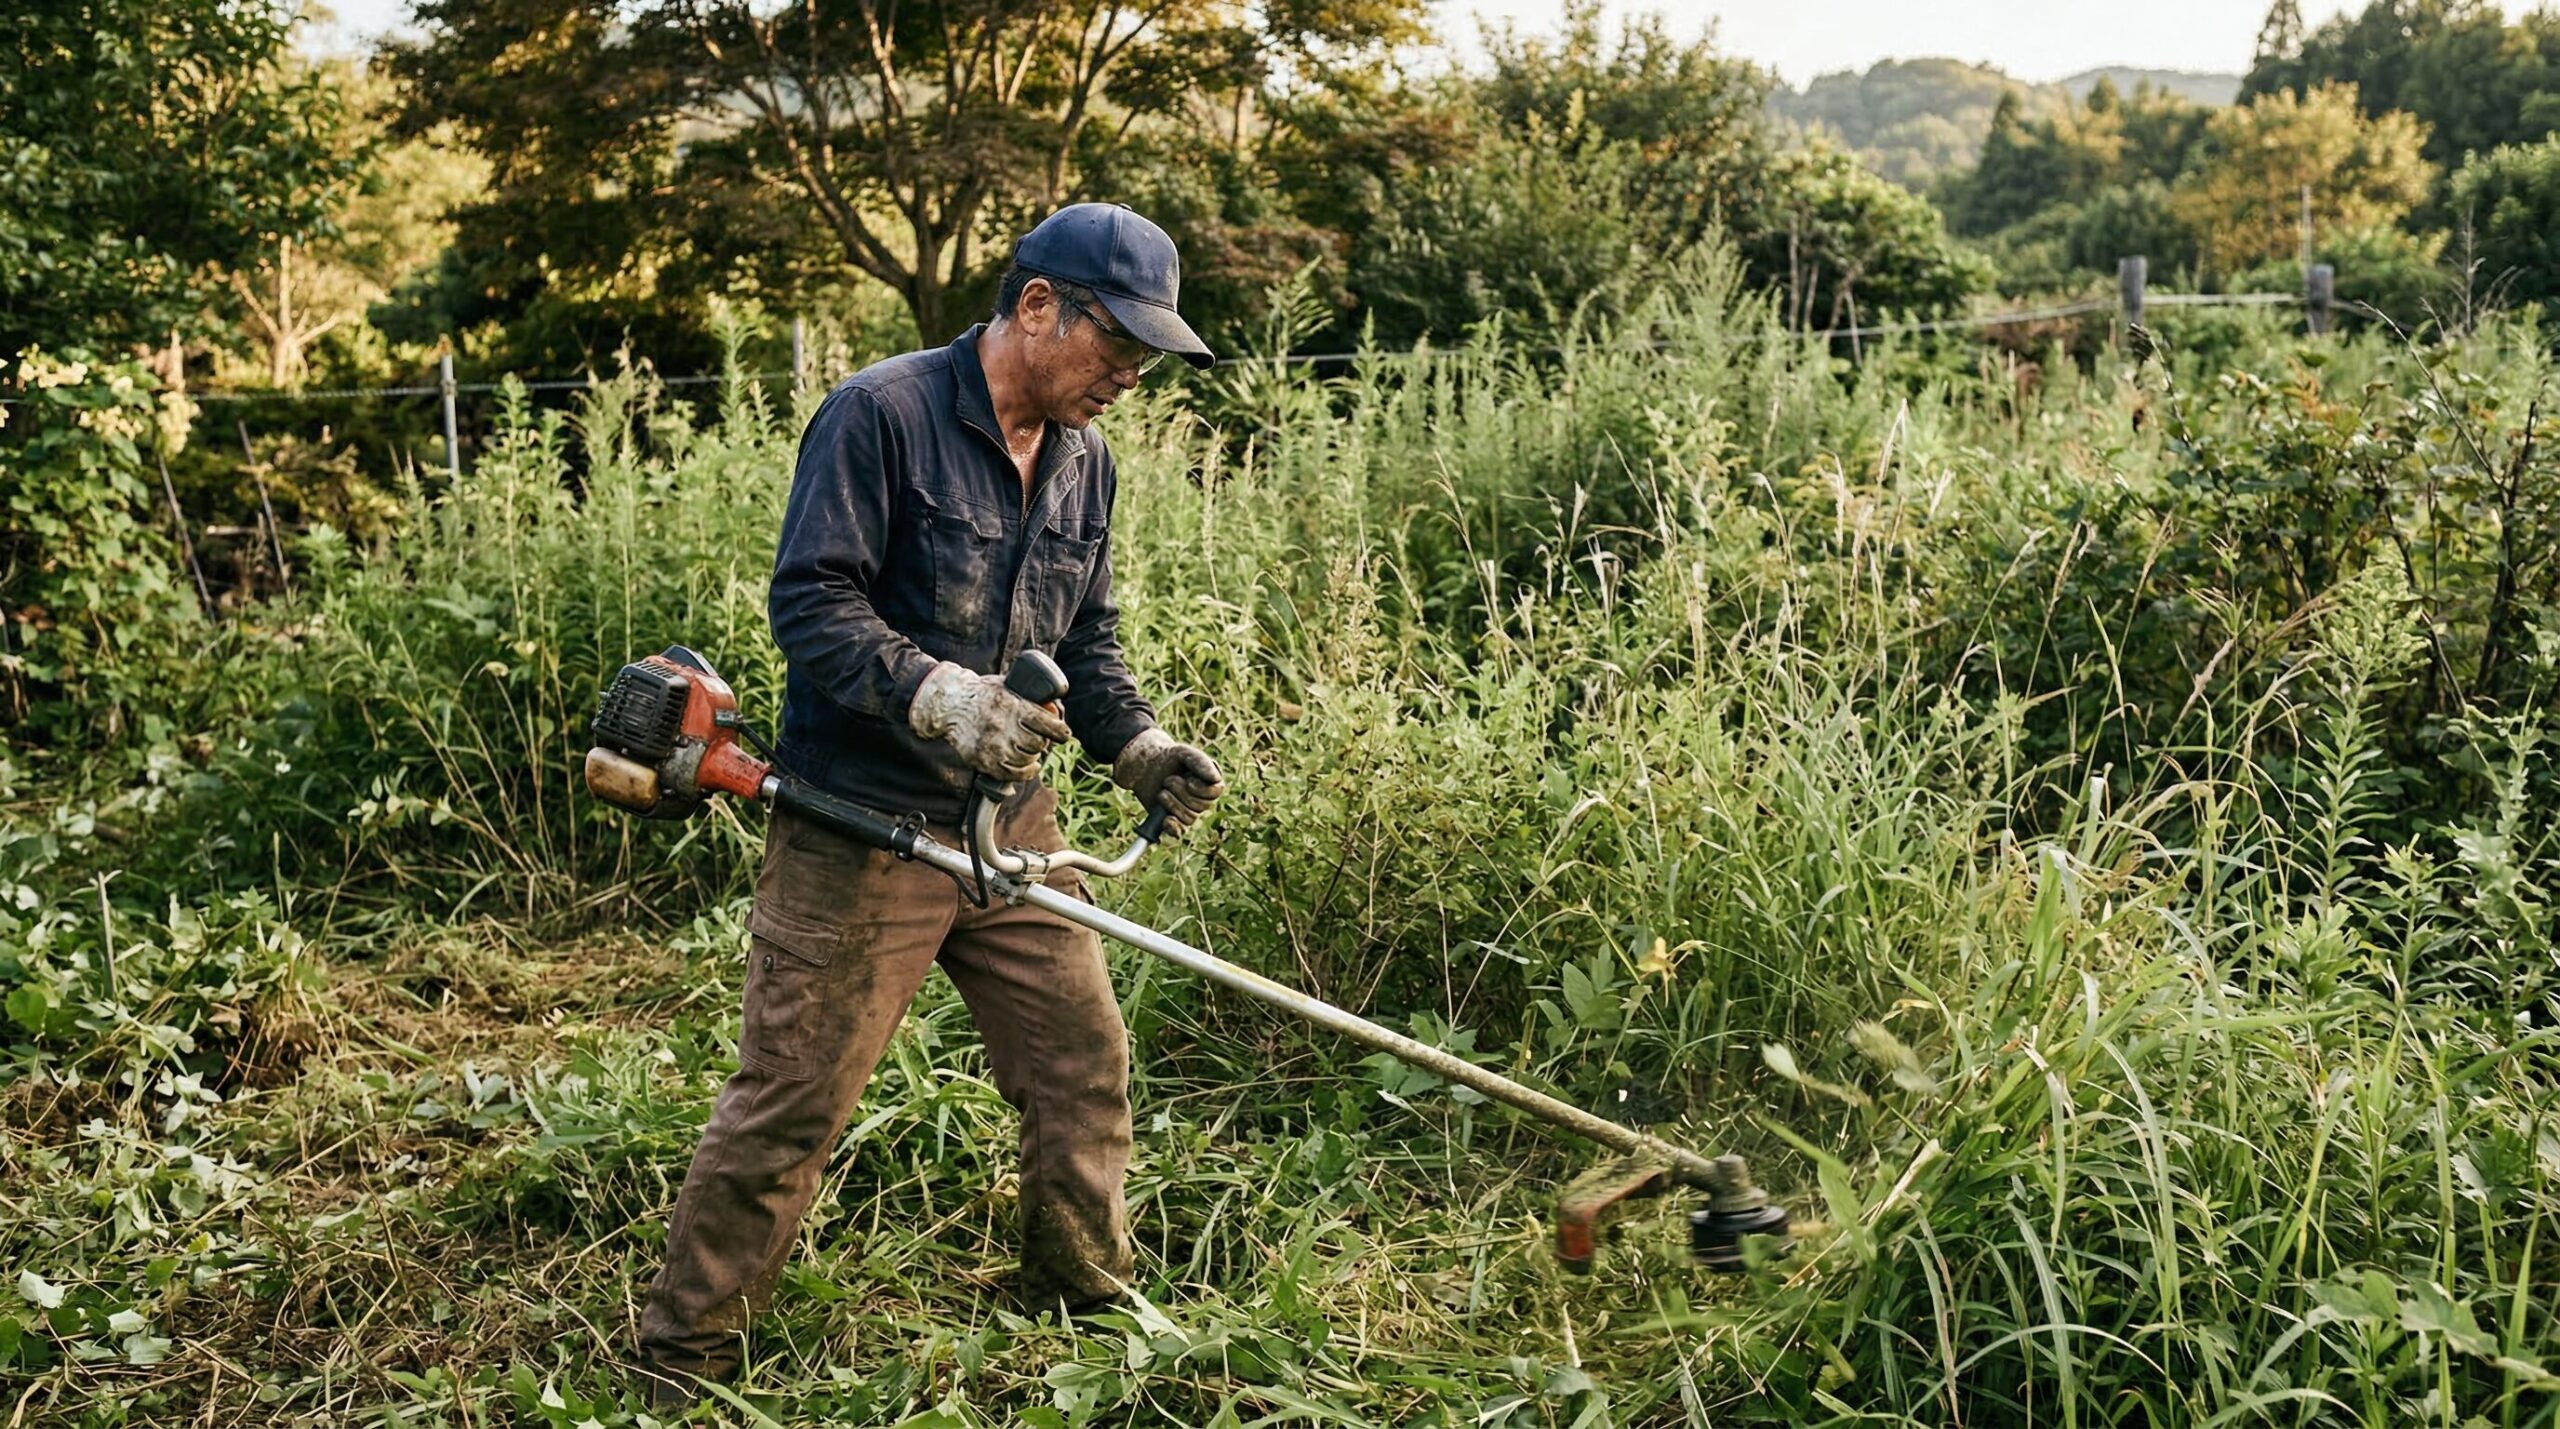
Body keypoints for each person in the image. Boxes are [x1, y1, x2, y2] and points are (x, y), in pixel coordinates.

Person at [633, 203, 1227, 1406]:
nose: (1130, 374)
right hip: (861, 824)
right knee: (793, 1099)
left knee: (1080, 1062)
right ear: (1038, 304)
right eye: (1118, 342)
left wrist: (1138, 746)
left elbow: (1087, 638)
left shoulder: (1083, 458)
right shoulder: (883, 413)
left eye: (1150, 356)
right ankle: (680, 1365)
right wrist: (941, 698)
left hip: (1012, 826)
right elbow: (812, 606)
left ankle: (1082, 1306)